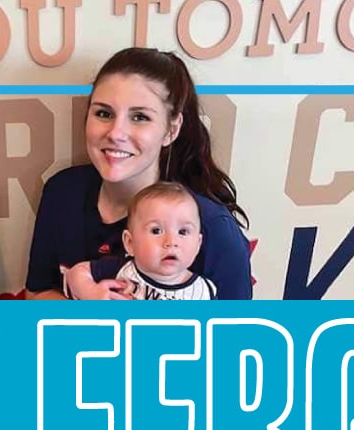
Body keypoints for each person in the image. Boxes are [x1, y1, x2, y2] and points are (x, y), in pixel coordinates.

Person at [25, 47, 252, 300]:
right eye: (104, 113)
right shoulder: (62, 191)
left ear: (171, 130)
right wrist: (87, 312)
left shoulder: (212, 228)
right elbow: (37, 294)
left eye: (140, 117)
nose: (116, 133)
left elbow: (236, 336)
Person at [66, 181, 216, 300]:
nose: (171, 242)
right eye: (156, 230)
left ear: (198, 244)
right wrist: (91, 293)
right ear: (130, 243)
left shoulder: (203, 292)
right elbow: (76, 273)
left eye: (183, 232)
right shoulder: (122, 269)